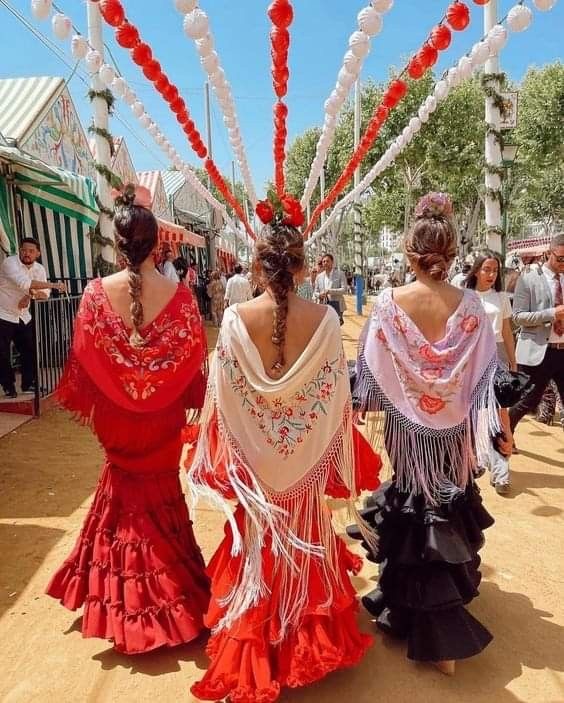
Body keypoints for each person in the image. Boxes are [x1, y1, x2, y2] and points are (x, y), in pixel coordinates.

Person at [186, 210, 381, 702]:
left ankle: (262, 640)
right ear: (301, 267)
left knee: (257, 545)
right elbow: (336, 397)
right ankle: (302, 642)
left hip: (255, 469)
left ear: (257, 265)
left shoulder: (234, 318)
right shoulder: (327, 319)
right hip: (306, 459)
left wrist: (252, 444)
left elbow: (225, 396)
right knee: (306, 537)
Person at [45, 183, 210, 654]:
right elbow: (194, 359)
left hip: (117, 419)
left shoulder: (95, 294)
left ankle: (121, 599)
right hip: (163, 420)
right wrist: (157, 386)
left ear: (117, 244)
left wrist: (121, 386)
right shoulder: (181, 299)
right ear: (158, 243)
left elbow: (83, 356)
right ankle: (176, 592)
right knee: (159, 489)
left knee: (121, 488)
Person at [348, 193, 505, 676]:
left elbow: (371, 375)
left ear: (410, 254)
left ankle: (424, 620)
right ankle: (440, 625)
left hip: (406, 427)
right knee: (445, 503)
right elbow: (486, 373)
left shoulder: (390, 305)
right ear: (454, 254)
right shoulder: (474, 306)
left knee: (414, 501)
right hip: (453, 429)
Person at [464, 252, 516, 494]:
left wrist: (513, 363)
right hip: (470, 357)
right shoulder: (464, 296)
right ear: (476, 270)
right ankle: (471, 463)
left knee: (500, 414)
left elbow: (506, 332)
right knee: (470, 413)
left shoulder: (502, 298)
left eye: (495, 270)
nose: (491, 275)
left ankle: (502, 472)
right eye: (486, 269)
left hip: (496, 357)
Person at [509, 233, 564, 434]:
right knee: (528, 400)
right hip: (540, 352)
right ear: (548, 253)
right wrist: (551, 314)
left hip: (562, 351)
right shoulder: (528, 279)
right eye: (560, 258)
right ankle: (503, 433)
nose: (563, 263)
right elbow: (519, 317)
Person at [0, 238, 66, 398]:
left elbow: (44, 295)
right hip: (3, 313)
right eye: (23, 250)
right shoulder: (10, 263)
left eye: (30, 251)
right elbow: (24, 283)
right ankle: (8, 386)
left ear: (38, 253)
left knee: (29, 349)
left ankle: (28, 383)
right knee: (2, 353)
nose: (26, 253)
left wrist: (30, 295)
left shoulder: (39, 269)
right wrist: (54, 285)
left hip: (23, 315)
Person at [313, 253, 347, 324]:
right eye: (324, 261)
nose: (325, 263)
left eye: (327, 261)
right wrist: (319, 295)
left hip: (337, 305)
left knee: (336, 326)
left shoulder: (340, 274)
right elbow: (315, 291)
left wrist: (330, 291)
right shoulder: (319, 277)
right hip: (323, 306)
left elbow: (344, 290)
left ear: (332, 262)